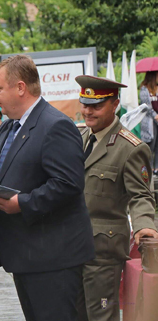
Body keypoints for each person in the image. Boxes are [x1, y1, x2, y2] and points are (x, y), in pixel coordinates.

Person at [0, 55, 95, 321]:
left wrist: (21, 203)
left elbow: (68, 184)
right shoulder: (9, 126)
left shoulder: (55, 125)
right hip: (25, 254)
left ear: (20, 87)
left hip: (53, 258)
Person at [75, 75, 158, 321]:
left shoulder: (131, 148)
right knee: (76, 313)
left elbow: (141, 195)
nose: (88, 112)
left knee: (101, 314)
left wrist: (144, 226)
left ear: (115, 104)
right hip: (72, 244)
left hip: (103, 250)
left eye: (96, 106)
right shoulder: (79, 139)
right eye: (85, 104)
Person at [139, 71, 158, 173]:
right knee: (150, 145)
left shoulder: (156, 89)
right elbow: (146, 106)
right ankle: (148, 170)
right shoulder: (144, 89)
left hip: (157, 121)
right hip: (149, 122)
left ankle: (156, 168)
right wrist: (156, 116)